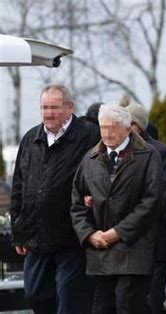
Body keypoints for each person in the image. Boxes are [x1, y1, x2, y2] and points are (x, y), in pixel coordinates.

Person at [9, 84, 99, 313]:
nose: (49, 113)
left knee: (70, 300)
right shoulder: (31, 138)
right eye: (44, 107)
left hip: (72, 235)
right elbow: (19, 184)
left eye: (55, 107)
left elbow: (103, 174)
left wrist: (94, 198)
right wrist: (18, 231)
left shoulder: (88, 136)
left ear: (70, 107)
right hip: (37, 236)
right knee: (35, 295)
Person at [70, 104, 163, 314]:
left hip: (134, 249)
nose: (107, 133)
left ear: (128, 127)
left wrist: (118, 233)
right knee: (102, 307)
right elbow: (77, 203)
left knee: (127, 304)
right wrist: (89, 234)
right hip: (100, 250)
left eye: (113, 127)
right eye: (103, 128)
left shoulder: (148, 156)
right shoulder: (90, 159)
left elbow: (151, 202)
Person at [122, 101, 166, 314]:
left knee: (152, 299)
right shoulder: (118, 151)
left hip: (156, 238)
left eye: (128, 122)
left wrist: (140, 206)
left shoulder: (161, 152)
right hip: (129, 240)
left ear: (138, 125)